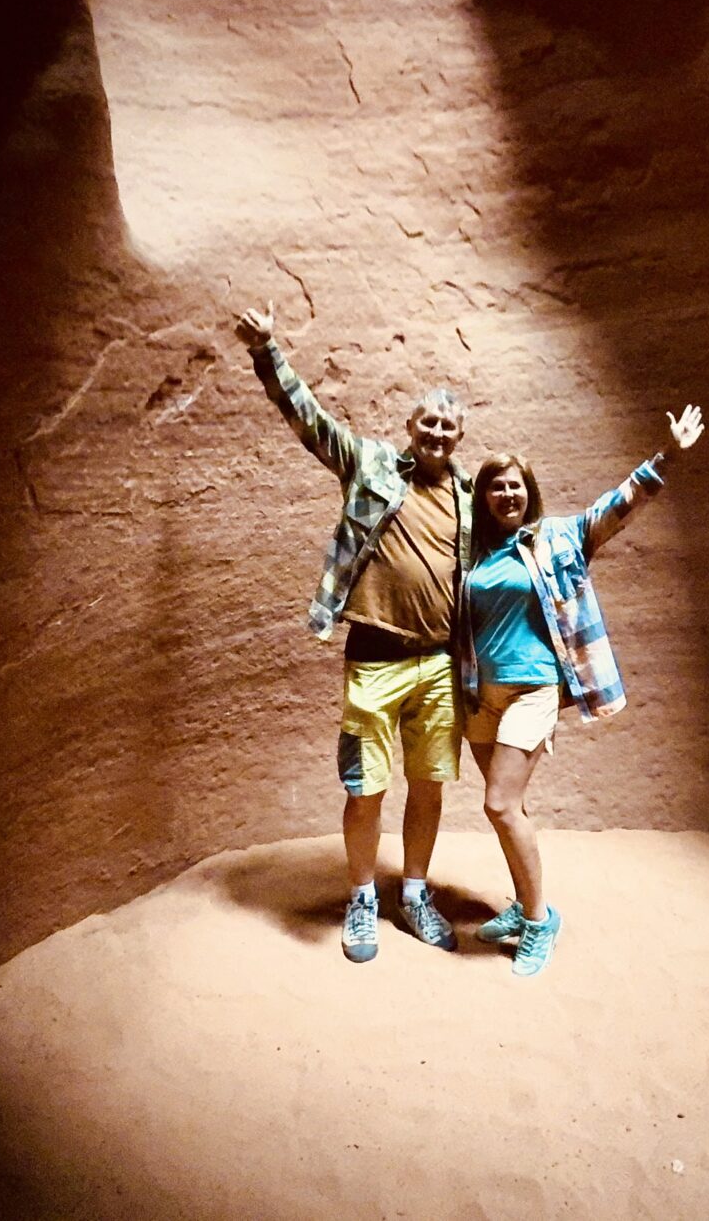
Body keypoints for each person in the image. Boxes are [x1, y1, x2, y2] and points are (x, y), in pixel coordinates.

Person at [232, 301, 474, 963]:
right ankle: (364, 895)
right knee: (364, 788)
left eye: (449, 426)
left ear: (460, 437)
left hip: (440, 667)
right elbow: (308, 419)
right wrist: (268, 352)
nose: (438, 432)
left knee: (429, 786)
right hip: (375, 658)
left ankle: (414, 892)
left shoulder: (469, 499)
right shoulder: (367, 463)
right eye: (429, 420)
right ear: (410, 425)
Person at [462, 403, 706, 978]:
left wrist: (666, 456)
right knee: (510, 809)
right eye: (495, 487)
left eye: (514, 485)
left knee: (497, 804)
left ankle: (541, 919)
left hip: (532, 690)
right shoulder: (469, 553)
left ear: (530, 492)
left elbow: (614, 509)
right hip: (480, 694)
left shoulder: (557, 538)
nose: (506, 495)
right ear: (484, 497)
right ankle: (524, 909)